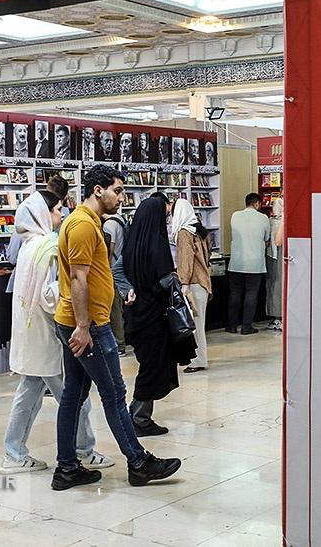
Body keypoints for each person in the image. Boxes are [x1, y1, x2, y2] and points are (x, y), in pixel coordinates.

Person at [52, 164, 180, 490]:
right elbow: (78, 278)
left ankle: (66, 468)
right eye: (118, 191)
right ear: (99, 190)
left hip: (82, 322)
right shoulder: (82, 224)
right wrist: (84, 326)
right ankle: (138, 462)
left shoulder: (86, 222)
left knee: (73, 394)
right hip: (89, 326)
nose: (122, 198)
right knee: (114, 394)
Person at [1, 189, 113, 473]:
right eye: (56, 209)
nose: (61, 214)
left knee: (29, 394)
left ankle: (14, 453)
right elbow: (50, 295)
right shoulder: (48, 247)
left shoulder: (28, 246)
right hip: (49, 335)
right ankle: (83, 450)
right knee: (75, 397)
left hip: (31, 334)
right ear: (42, 213)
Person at [123, 196, 197, 436]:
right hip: (155, 317)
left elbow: (121, 273)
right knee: (153, 368)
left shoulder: (131, 244)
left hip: (136, 314)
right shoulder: (158, 245)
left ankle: (137, 413)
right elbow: (164, 281)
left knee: (148, 364)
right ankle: (140, 418)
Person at [171, 199, 212, 372]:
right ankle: (199, 358)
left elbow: (185, 260)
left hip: (193, 283)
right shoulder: (199, 230)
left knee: (194, 325)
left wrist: (184, 283)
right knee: (199, 323)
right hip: (203, 282)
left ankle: (198, 360)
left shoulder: (184, 233)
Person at [226, 193, 270, 335]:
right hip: (255, 263)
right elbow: (267, 238)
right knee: (251, 294)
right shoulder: (263, 218)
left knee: (235, 294)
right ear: (257, 203)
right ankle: (246, 326)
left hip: (236, 262)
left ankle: (232, 325)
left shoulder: (235, 216)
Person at [102, 208, 130, 356]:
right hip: (122, 267)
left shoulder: (108, 225)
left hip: (112, 270)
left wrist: (105, 271)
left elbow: (109, 249)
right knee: (120, 307)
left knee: (114, 309)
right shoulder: (121, 220)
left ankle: (119, 344)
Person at [265, 197, 284, 330]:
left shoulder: (271, 222)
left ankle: (277, 316)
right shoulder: (279, 222)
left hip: (273, 258)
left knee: (274, 286)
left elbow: (275, 241)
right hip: (278, 258)